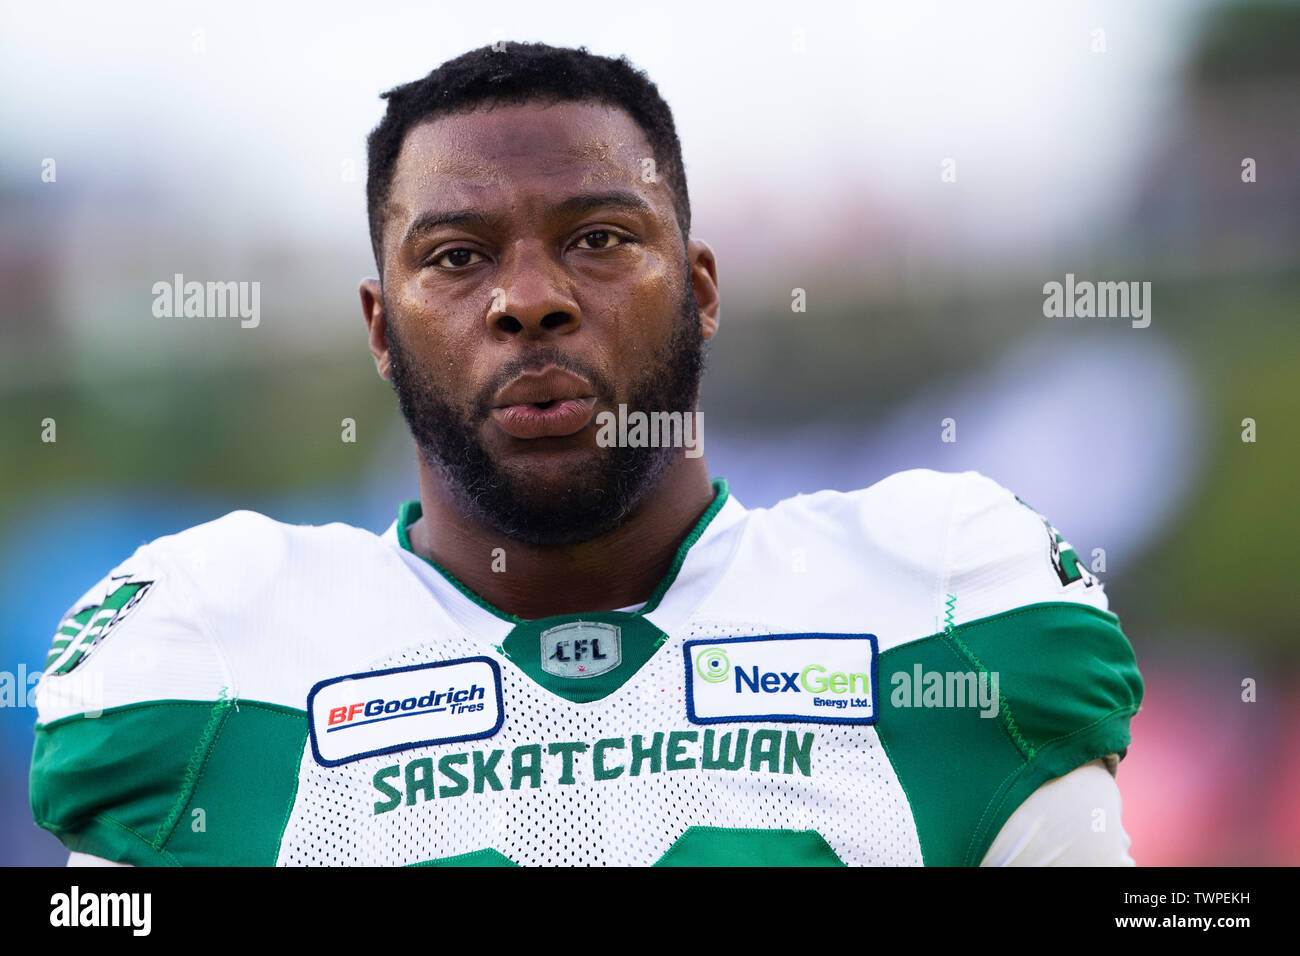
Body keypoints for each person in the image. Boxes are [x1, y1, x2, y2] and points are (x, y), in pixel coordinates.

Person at [31, 42, 1142, 867]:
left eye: (598, 239)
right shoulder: (219, 666)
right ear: (379, 327)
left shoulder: (936, 604)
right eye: (457, 255)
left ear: (700, 289)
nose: (529, 301)